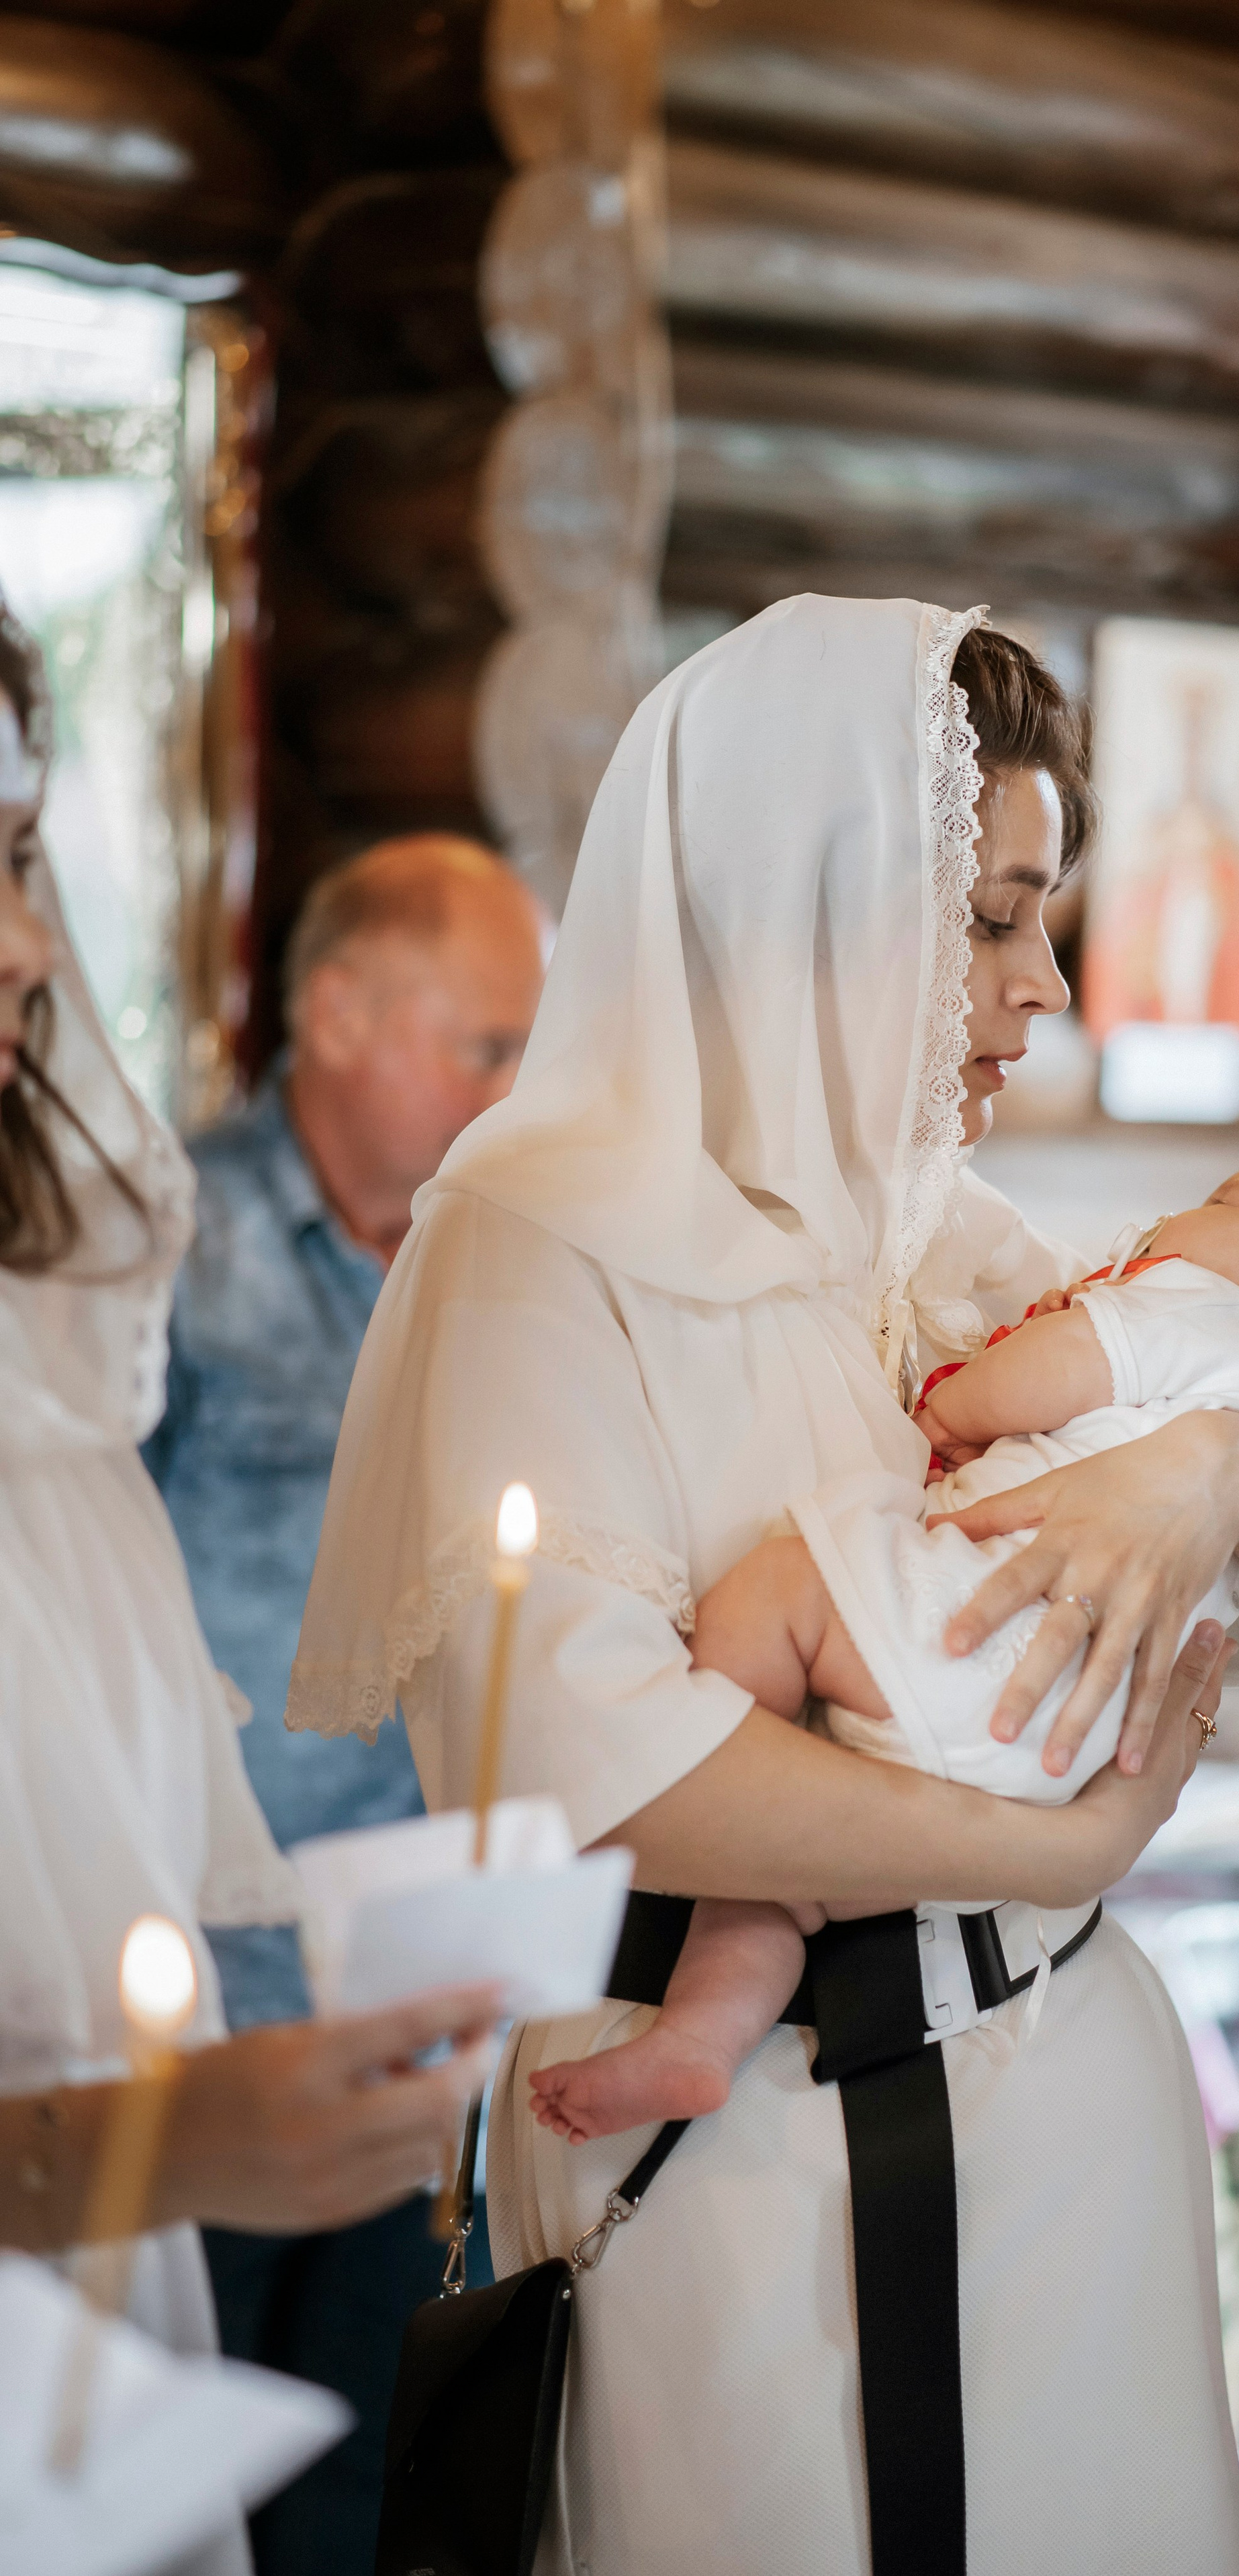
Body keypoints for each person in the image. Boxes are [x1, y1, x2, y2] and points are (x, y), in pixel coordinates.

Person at [287, 599, 1239, 2576]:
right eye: (992, 918)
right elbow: (598, 1766)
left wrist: (1219, 1463)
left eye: (1041, 918)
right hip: (728, 2165)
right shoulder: (528, 1250)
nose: (1046, 981)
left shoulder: (943, 1236)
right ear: (801, 905)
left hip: (1068, 2122)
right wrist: (1047, 1848)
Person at [0, 596, 500, 2573]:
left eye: (25, 861)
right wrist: (159, 2139)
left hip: (305, 2011)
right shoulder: (179, 1275)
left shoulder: (58, 1322)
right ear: (343, 1016)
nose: (29, 946)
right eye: (488, 1038)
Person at [531, 1157, 1239, 2147]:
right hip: (1047, 1759)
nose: (1166, 1218)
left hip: (975, 1643)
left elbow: (1037, 1376)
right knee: (782, 1878)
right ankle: (703, 2031)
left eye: (1216, 1207)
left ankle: (706, 1979)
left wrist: (954, 1412)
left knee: (775, 1597)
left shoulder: (1189, 1313)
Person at [141, 833, 544, 2575]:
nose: (514, 1090)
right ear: (333, 1009)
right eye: (485, 1045)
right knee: (176, 2463)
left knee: (364, 2478)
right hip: (201, 2001)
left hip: (417, 1985)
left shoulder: (493, 1264)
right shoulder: (163, 1242)